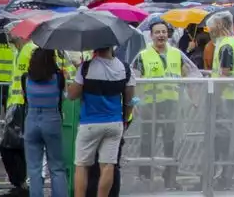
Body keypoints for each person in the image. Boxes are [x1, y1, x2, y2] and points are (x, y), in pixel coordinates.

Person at [131, 20, 198, 189]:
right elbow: (132, 80)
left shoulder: (177, 54)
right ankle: (145, 178)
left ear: (168, 34)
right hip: (149, 106)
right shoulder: (142, 56)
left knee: (171, 142)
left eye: (163, 32)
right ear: (151, 35)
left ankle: (170, 178)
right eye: (157, 32)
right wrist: (135, 102)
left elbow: (192, 73)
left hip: (172, 105)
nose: (161, 35)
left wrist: (193, 97)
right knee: (147, 141)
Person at [69, 46, 134, 197]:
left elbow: (72, 94)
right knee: (108, 165)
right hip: (114, 123)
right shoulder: (125, 68)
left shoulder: (86, 67)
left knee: (82, 166)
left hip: (89, 124)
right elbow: (129, 100)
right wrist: (124, 120)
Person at [22, 48, 68, 197]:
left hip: (32, 118)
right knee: (57, 167)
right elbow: (64, 97)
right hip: (52, 119)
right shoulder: (59, 77)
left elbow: (26, 99)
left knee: (34, 168)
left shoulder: (26, 78)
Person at [210, 11, 234, 189]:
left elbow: (223, 75)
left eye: (212, 26)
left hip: (226, 99)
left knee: (223, 140)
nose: (209, 30)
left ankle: (224, 177)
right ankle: (226, 177)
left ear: (220, 25)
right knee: (229, 139)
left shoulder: (226, 46)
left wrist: (214, 97)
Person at [2, 33, 37, 196]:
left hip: (21, 104)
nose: (9, 36)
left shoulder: (30, 49)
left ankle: (20, 184)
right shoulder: (19, 51)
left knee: (11, 146)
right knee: (15, 145)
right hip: (16, 103)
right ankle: (20, 183)